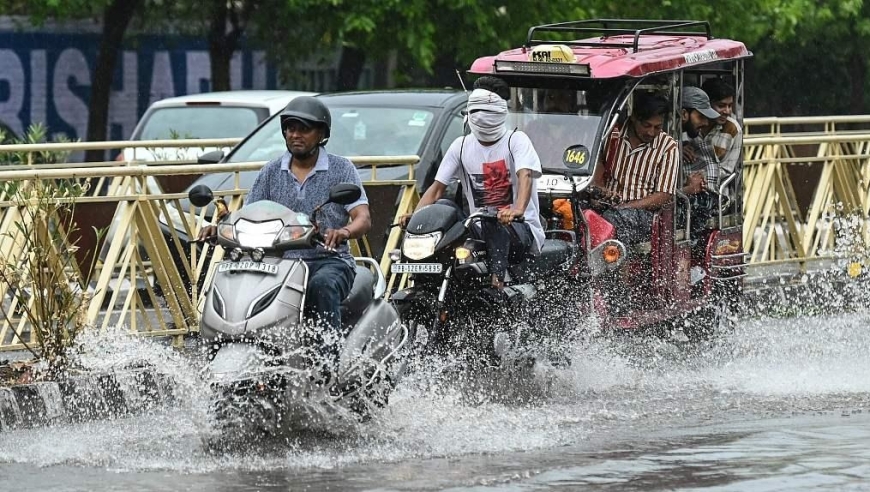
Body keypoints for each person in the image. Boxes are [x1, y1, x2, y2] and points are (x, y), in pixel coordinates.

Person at [198, 96, 371, 363]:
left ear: (322, 134)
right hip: (277, 263)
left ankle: (326, 365)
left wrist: (344, 232)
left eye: (304, 129)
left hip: (327, 260)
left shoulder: (341, 169)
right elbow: (247, 214)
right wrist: (218, 228)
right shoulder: (270, 172)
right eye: (290, 128)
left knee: (321, 287)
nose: (295, 135)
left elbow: (363, 218)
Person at [400, 87, 546, 290]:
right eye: (475, 112)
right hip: (477, 226)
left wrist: (518, 210)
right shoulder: (460, 146)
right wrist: (416, 217)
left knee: (491, 217)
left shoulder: (516, 140)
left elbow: (525, 175)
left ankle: (498, 278)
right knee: (443, 208)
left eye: (485, 113)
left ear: (500, 114)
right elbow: (436, 190)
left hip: (519, 229)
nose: (479, 118)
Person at [592, 92, 680, 245]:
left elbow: (664, 195)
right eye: (646, 126)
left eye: (657, 127)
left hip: (643, 215)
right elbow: (597, 171)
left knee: (612, 221)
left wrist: (627, 206)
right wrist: (600, 191)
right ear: (634, 118)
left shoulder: (668, 147)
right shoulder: (610, 135)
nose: (651, 132)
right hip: (607, 208)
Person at [701, 78, 743, 197]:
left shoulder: (734, 129)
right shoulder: (688, 124)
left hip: (716, 193)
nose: (727, 111)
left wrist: (700, 179)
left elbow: (726, 170)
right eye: (721, 106)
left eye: (730, 106)